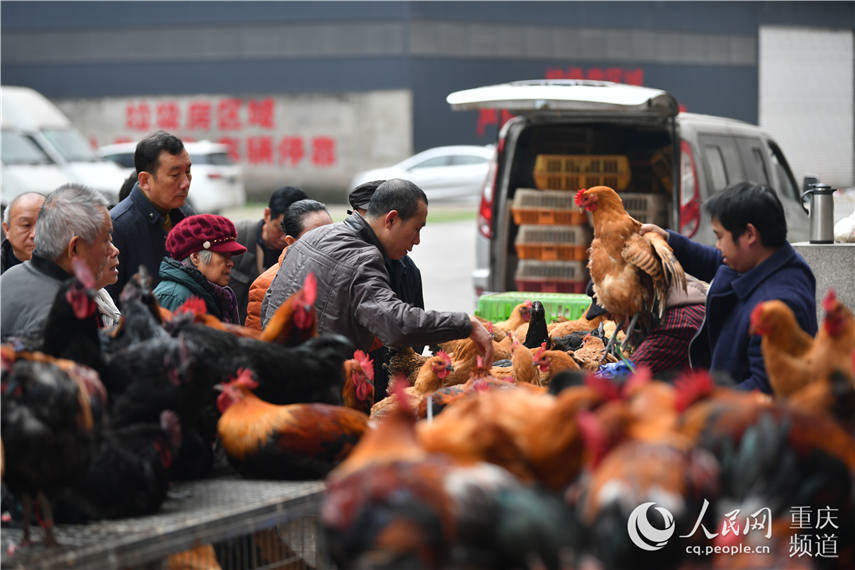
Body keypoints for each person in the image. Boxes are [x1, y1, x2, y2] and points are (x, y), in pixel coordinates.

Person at [262, 178, 493, 382]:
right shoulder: (363, 257)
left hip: (276, 371)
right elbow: (396, 324)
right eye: (416, 229)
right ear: (391, 219)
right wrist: (465, 324)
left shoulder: (316, 235)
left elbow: (268, 301)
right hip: (312, 385)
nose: (418, 241)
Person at [640, 181, 817, 393]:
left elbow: (764, 388)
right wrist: (669, 241)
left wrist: (707, 404)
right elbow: (716, 261)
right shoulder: (758, 260)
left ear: (750, 235)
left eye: (719, 236)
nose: (717, 245)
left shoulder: (778, 305)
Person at [1, 184, 119, 338]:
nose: (113, 250)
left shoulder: (11, 276)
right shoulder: (67, 314)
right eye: (105, 240)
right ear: (74, 248)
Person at [107, 131, 194, 302]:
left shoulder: (187, 218)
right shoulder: (117, 226)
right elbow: (109, 306)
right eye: (175, 175)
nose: (185, 183)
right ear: (145, 180)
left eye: (188, 172)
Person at [247, 199, 333, 330]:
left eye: (332, 233)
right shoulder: (264, 285)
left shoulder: (345, 272)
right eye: (317, 237)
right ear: (291, 242)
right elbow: (259, 343)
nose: (330, 242)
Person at [229, 186, 307, 324]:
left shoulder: (300, 252)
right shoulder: (236, 237)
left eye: (291, 231)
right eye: (279, 228)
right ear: (267, 215)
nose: (284, 238)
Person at [153, 214, 247, 323]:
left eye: (230, 256)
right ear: (196, 257)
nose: (230, 263)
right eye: (223, 255)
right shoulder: (174, 297)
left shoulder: (216, 295)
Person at [2, 192, 45, 274]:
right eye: (26, 225)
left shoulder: (71, 269)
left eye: (43, 224)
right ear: (7, 229)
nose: (35, 234)